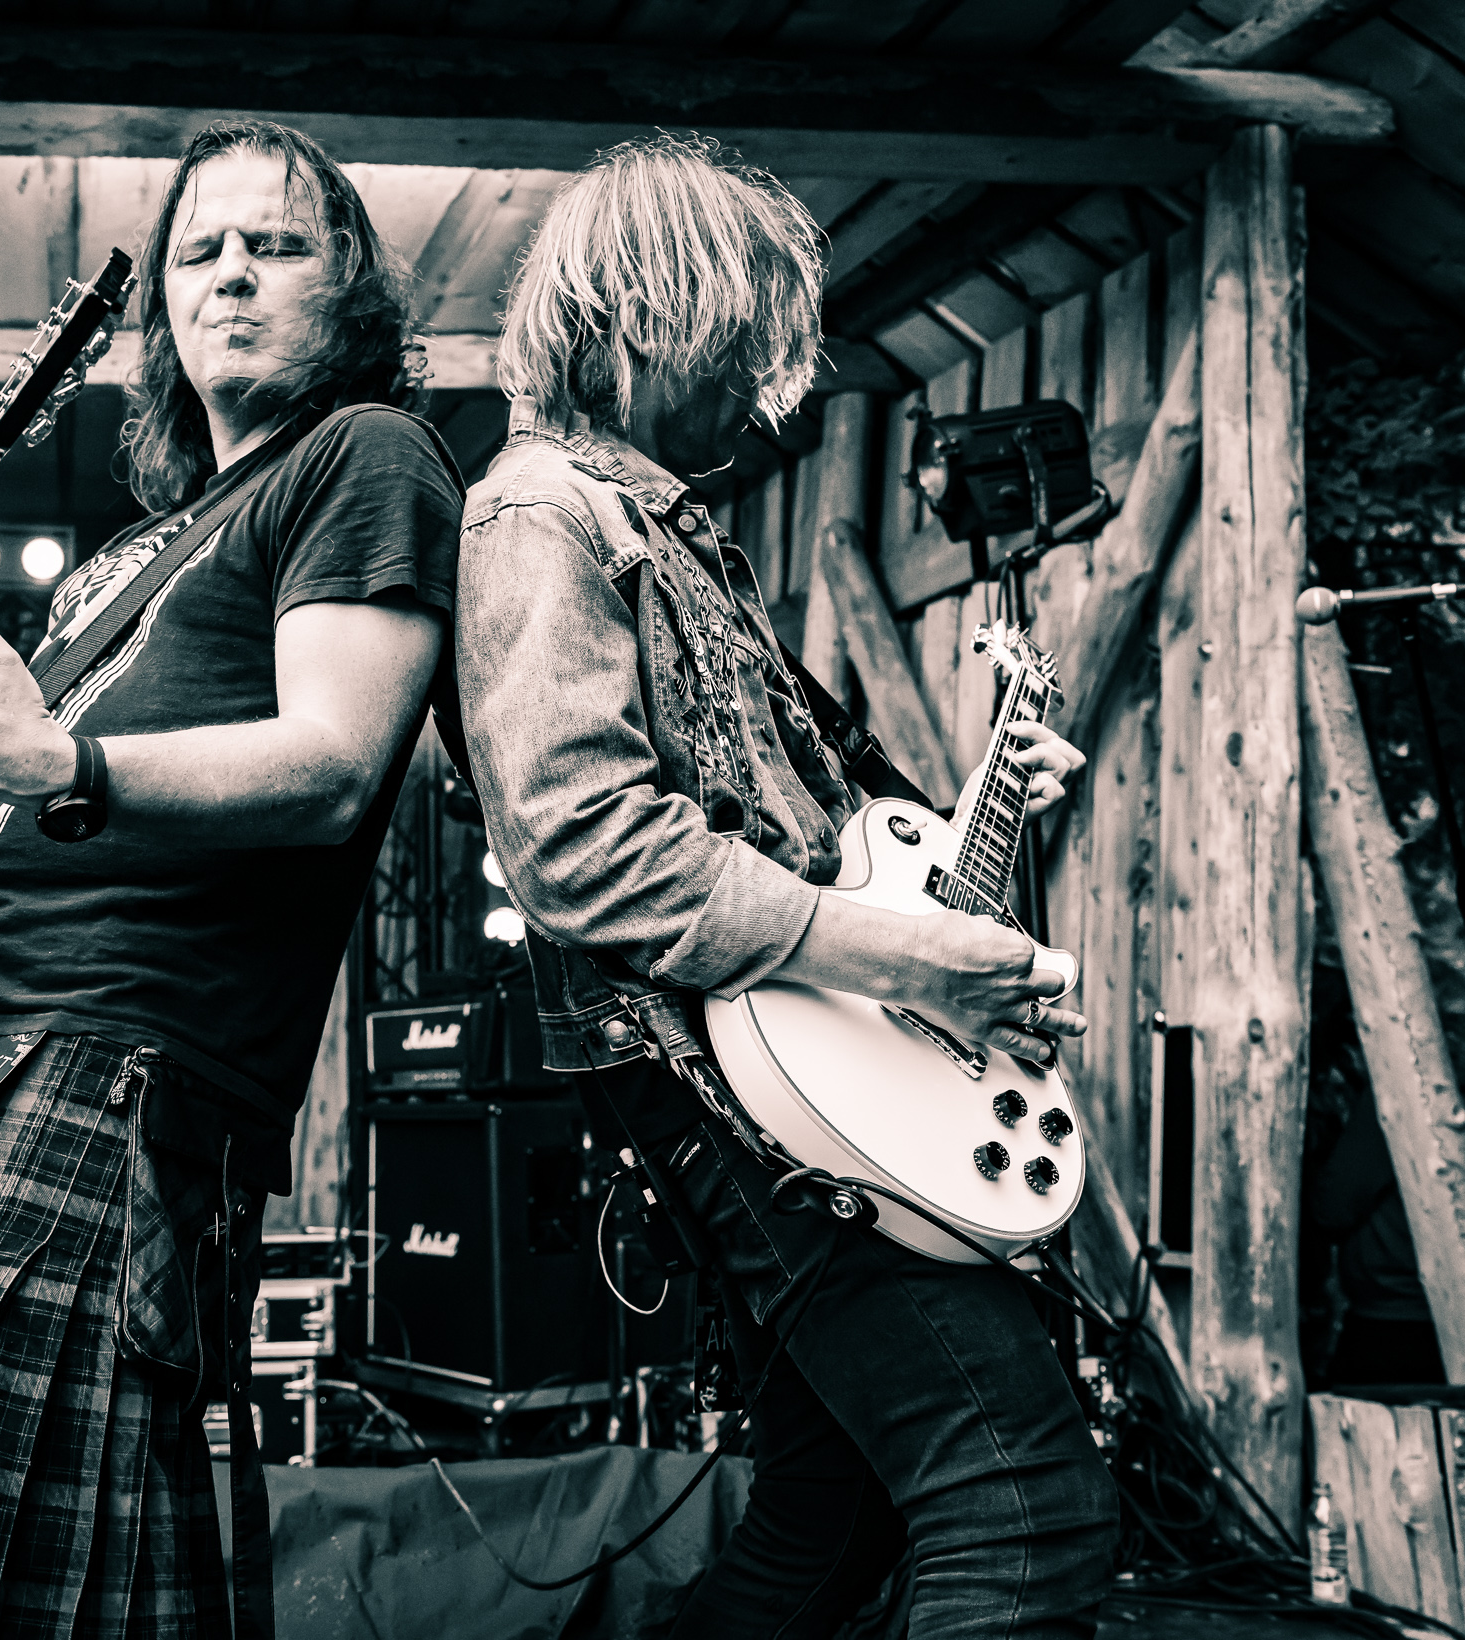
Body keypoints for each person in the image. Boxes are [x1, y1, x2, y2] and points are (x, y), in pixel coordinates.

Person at [0, 120, 461, 1639]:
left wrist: (49, 757)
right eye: (199, 250)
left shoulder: (365, 457)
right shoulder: (134, 550)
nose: (229, 274)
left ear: (348, 285)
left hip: (99, 1074)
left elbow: (330, 762)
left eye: (274, 244)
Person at [451, 134, 1118, 1638]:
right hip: (726, 1084)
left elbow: (821, 843)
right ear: (644, 310)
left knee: (833, 1511)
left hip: (800, 1069)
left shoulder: (675, 533)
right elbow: (578, 845)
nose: (767, 392)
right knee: (1025, 1505)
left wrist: (986, 823)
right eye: (740, 342)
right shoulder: (541, 511)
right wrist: (908, 962)